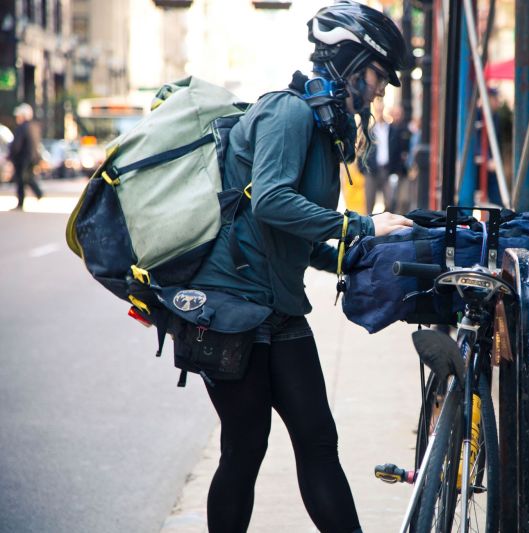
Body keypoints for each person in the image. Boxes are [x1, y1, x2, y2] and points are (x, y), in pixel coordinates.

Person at [188, 2, 412, 531]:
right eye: (380, 77)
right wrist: (361, 225)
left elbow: (297, 233)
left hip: (279, 309)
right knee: (245, 450)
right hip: (229, 308)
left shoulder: (324, 130)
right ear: (351, 63)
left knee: (318, 441)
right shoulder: (289, 112)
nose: (381, 91)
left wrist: (359, 254)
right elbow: (269, 202)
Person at [9, 103, 43, 210]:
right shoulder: (34, 126)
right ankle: (38, 193)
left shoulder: (22, 128)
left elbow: (17, 145)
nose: (17, 118)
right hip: (32, 158)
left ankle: (21, 202)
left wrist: (11, 156)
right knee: (27, 178)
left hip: (22, 159)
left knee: (21, 180)